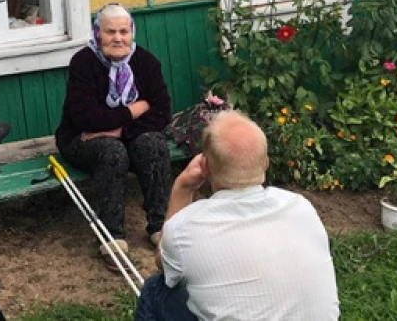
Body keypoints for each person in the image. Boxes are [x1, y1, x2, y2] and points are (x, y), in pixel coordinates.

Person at [136, 110, 340, 321]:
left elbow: (165, 265)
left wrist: (182, 188)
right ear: (266, 162)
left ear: (205, 166)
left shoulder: (186, 226)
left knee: (156, 289)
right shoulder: (301, 208)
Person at [55, 3, 173, 264]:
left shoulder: (146, 63)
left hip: (121, 136)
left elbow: (161, 113)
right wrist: (132, 111)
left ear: (132, 32)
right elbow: (84, 117)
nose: (118, 38)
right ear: (98, 34)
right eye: (110, 32)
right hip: (79, 139)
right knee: (111, 151)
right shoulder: (83, 63)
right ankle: (111, 236)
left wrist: (119, 129)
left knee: (153, 144)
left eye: (124, 31)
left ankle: (159, 226)